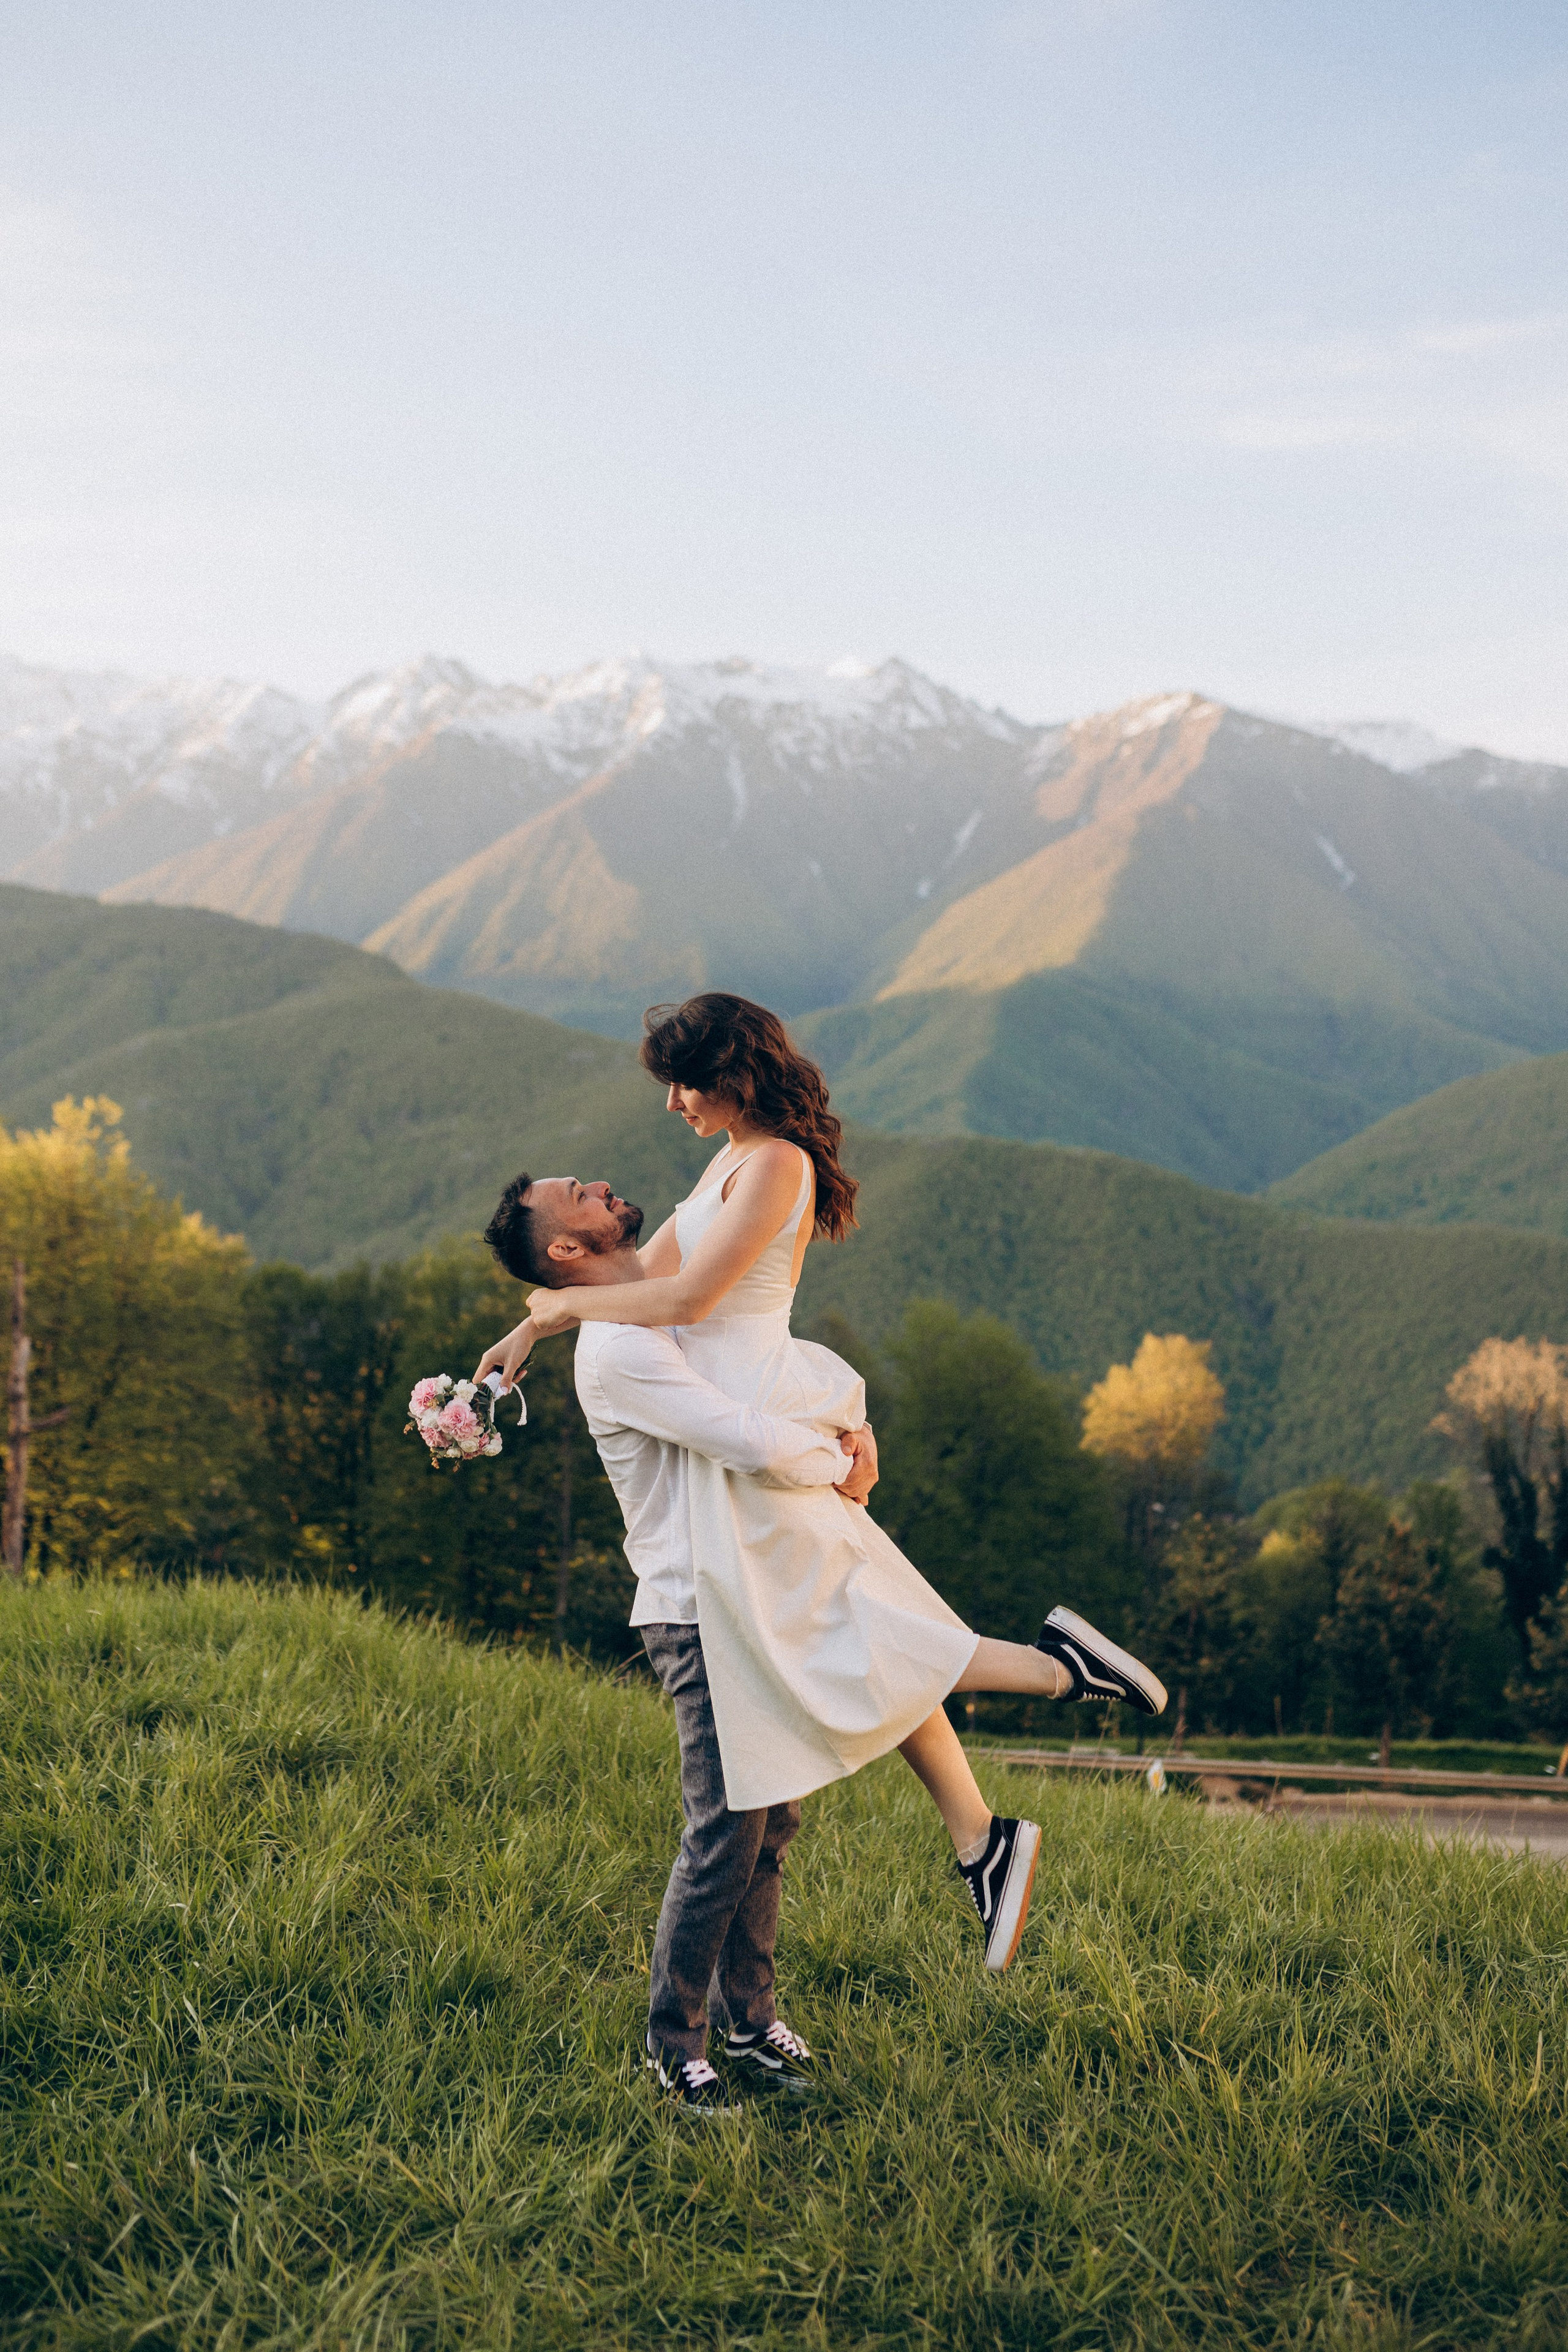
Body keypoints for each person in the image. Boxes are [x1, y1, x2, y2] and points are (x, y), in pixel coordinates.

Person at [477, 995, 1165, 1994]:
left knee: (863, 1638)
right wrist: (546, 1318)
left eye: (682, 1081)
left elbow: (685, 1300)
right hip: (748, 1432)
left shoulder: (778, 1166)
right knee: (866, 1634)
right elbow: (643, 1278)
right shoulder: (727, 1165)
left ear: (729, 1074)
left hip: (760, 1425)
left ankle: (1047, 1704)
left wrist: (550, 1313)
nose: (672, 1104)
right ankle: (992, 1823)